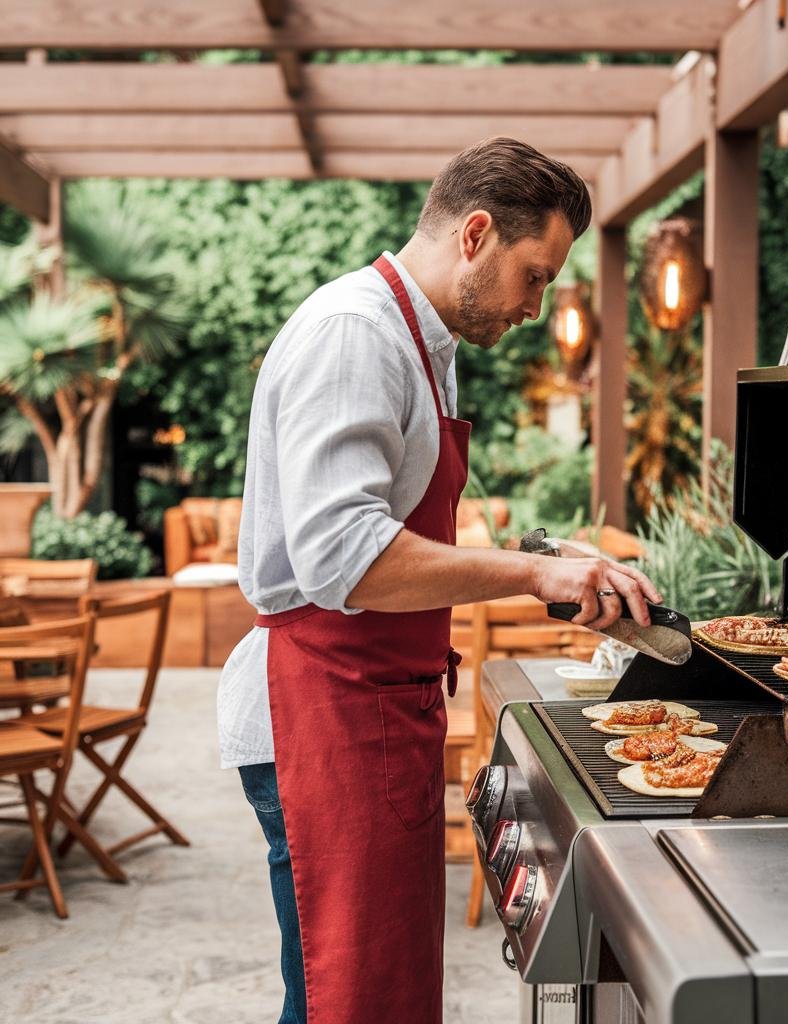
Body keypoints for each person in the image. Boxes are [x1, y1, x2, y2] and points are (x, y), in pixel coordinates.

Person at [217, 136, 662, 1024]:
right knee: (346, 1001)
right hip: (324, 712)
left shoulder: (423, 340)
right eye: (535, 275)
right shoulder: (357, 335)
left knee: (370, 995)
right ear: (477, 234)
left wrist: (550, 552)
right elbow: (347, 557)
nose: (537, 307)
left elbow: (399, 527)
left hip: (373, 711)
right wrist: (533, 573)